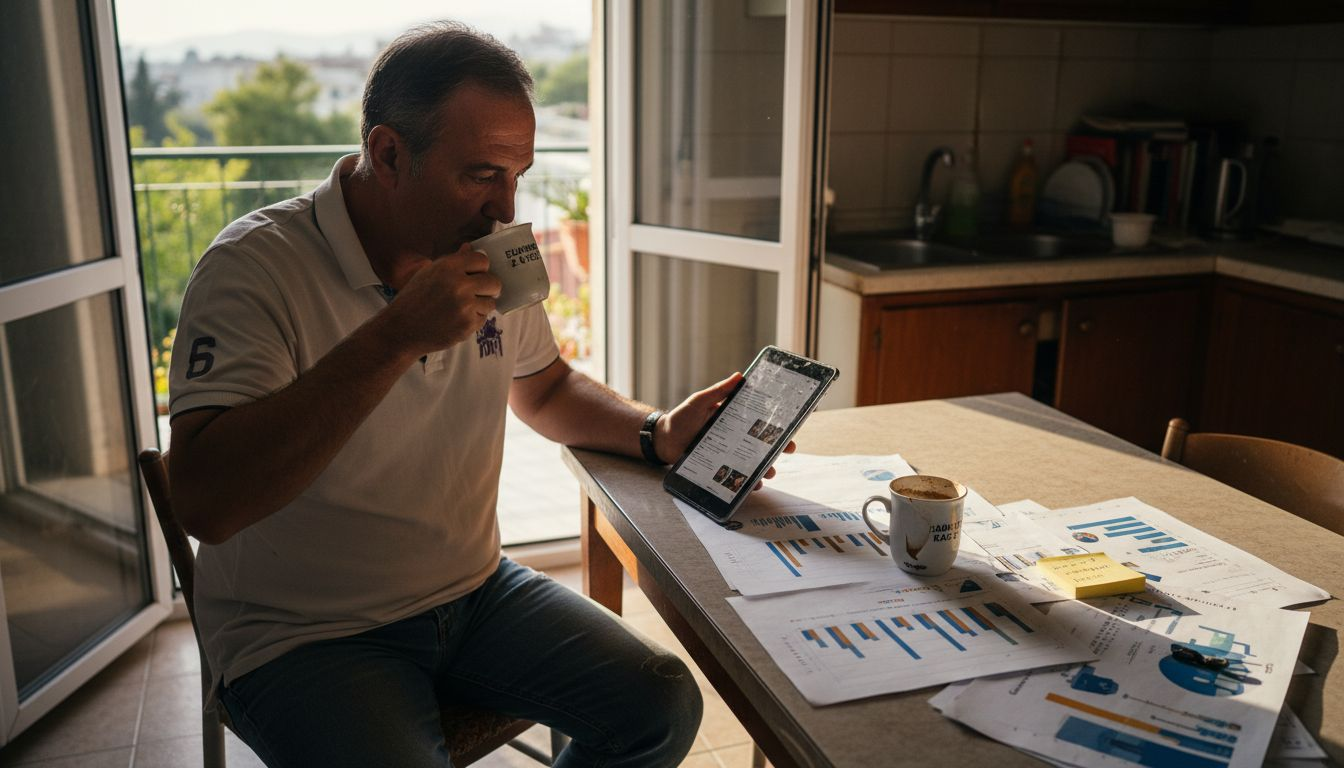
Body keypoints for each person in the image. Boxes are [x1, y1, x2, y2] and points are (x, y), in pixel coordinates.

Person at [167, 21, 788, 768]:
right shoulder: (253, 267)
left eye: (518, 175)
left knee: (661, 704)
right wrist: (394, 337)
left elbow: (545, 387)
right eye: (482, 174)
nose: (506, 210)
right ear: (388, 154)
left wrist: (657, 431)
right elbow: (205, 502)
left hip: (475, 592)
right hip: (301, 632)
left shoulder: (490, 252)